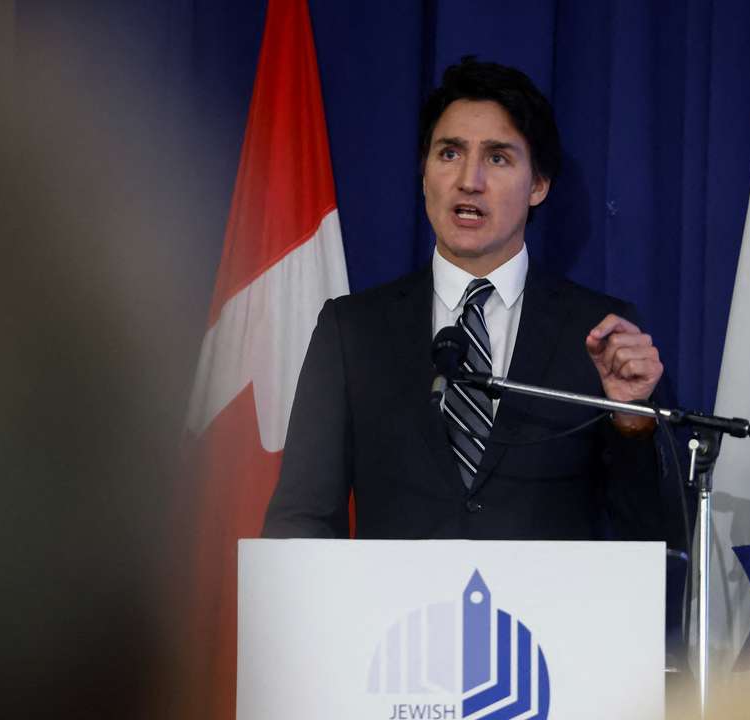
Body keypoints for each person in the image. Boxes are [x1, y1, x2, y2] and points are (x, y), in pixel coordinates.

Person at [261, 58, 665, 541]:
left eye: (497, 158)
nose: (469, 180)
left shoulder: (601, 333)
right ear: (424, 174)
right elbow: (300, 518)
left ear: (538, 185)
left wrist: (632, 421)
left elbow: (655, 536)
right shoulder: (353, 331)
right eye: (450, 153)